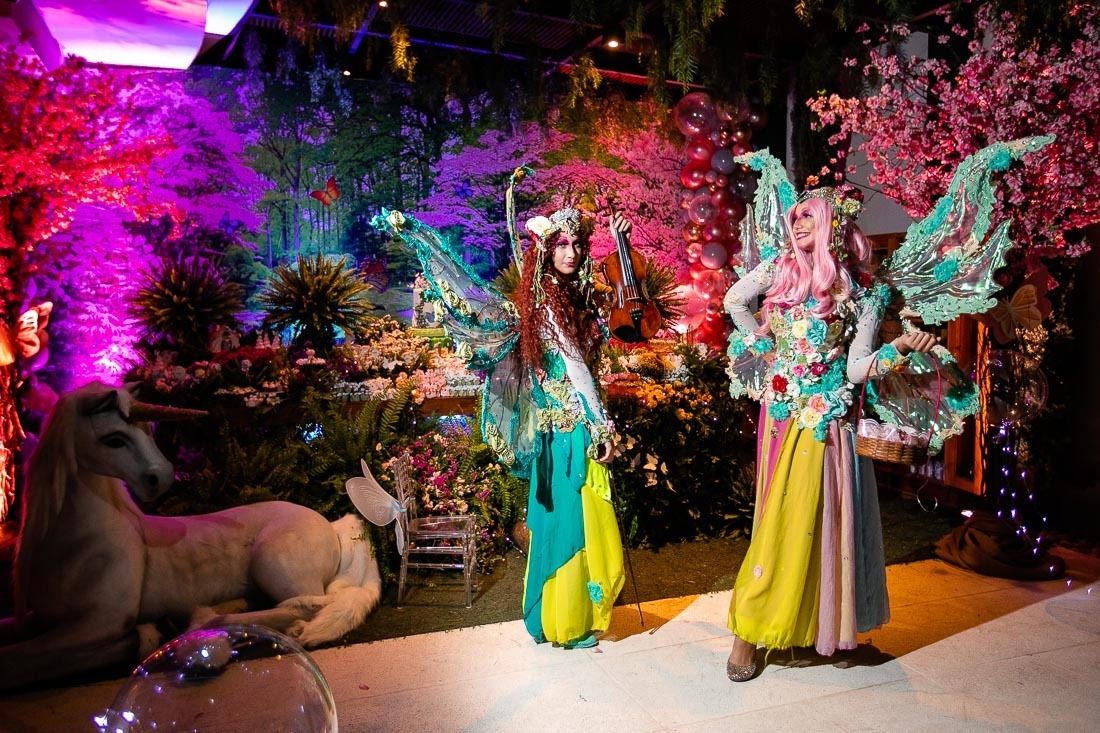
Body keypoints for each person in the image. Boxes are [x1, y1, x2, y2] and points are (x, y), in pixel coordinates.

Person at [373, 186, 628, 649]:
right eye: (561, 244)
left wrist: (621, 247)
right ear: (545, 251)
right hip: (570, 431)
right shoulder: (548, 305)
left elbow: (591, 355)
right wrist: (603, 426)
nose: (570, 253)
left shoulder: (564, 298)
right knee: (569, 524)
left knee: (566, 522)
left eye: (576, 244)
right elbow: (575, 369)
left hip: (564, 430)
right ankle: (567, 622)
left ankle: (564, 616)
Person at [721, 189, 939, 681]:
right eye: (795, 217)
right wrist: (762, 343)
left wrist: (900, 348)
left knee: (824, 526)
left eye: (809, 218)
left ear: (833, 227)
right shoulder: (779, 270)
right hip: (785, 419)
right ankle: (747, 634)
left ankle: (813, 628)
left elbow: (857, 368)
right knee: (779, 524)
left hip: (829, 425)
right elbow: (734, 299)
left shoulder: (862, 293)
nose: (798, 225)